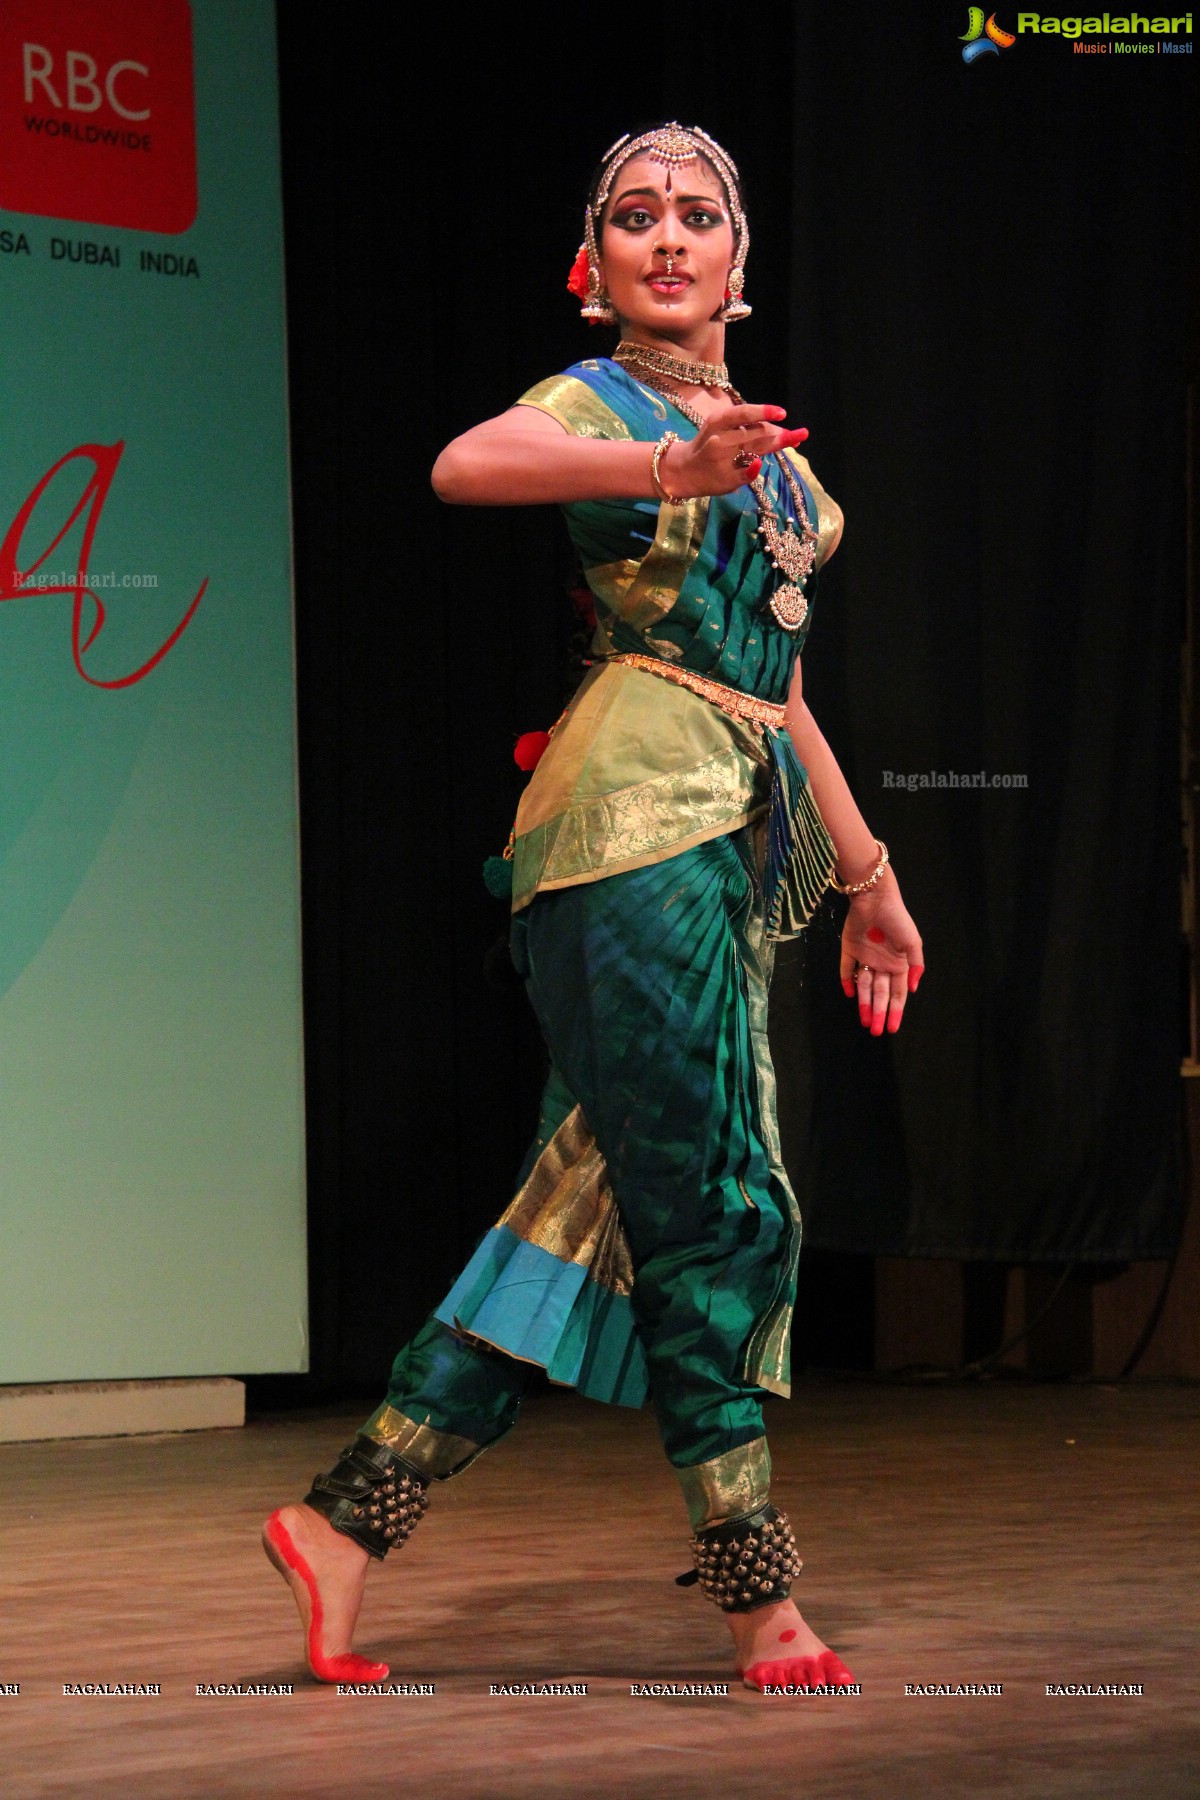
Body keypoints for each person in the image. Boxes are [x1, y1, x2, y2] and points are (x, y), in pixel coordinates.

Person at [263, 121, 924, 1696]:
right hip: (624, 824)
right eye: (638, 218)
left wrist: (872, 879)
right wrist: (661, 465)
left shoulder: (773, 451)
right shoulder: (600, 403)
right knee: (711, 1195)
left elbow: (783, 688)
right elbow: (460, 465)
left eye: (701, 217)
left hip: (728, 822)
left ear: (743, 267)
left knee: (590, 1206)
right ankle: (759, 1596)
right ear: (595, 267)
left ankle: (346, 1525)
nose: (671, 239)